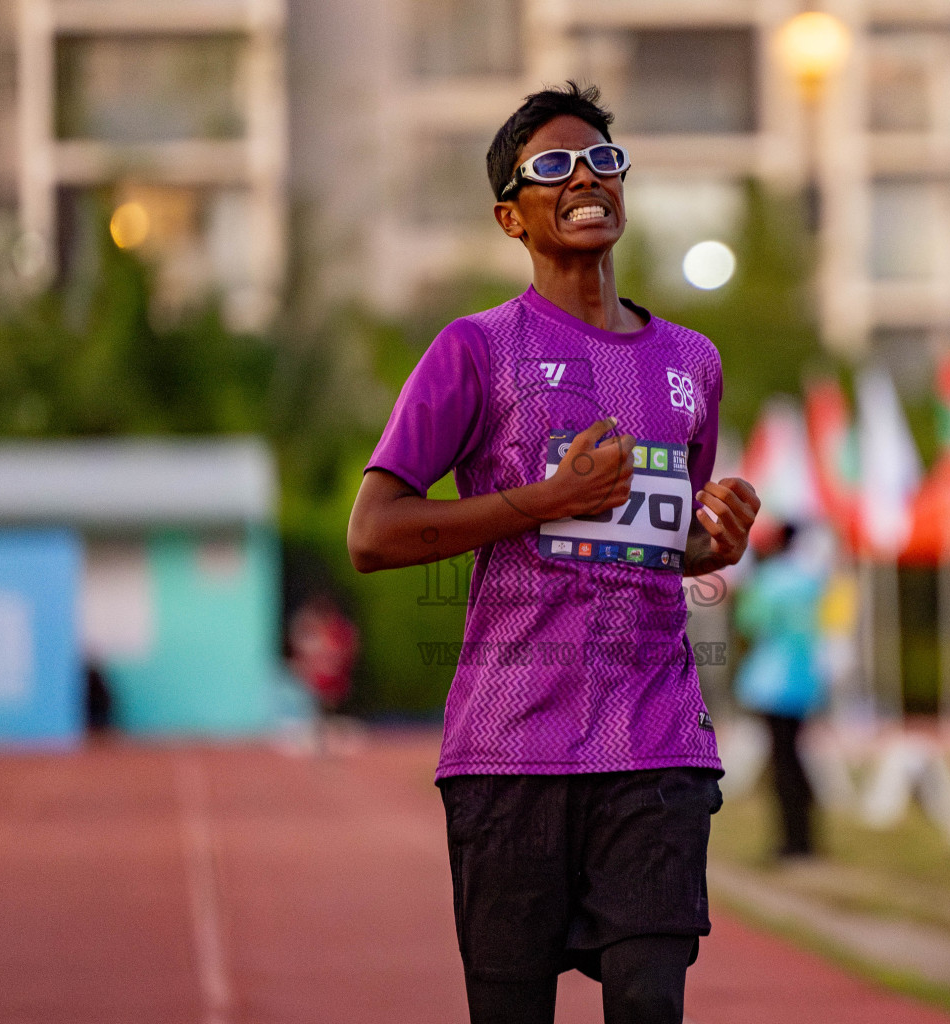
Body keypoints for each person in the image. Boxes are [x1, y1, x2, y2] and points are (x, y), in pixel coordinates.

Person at [347, 83, 760, 1024]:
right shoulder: (474, 353)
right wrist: (545, 500)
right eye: (553, 167)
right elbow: (372, 536)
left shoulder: (691, 361)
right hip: (511, 750)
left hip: (655, 741)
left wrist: (714, 538)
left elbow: (662, 545)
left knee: (650, 1004)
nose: (585, 177)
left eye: (603, 160)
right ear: (511, 216)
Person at [732, 522, 829, 860]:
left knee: (783, 763)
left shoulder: (769, 578)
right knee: (795, 759)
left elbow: (750, 622)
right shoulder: (812, 580)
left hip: (772, 682)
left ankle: (792, 841)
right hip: (805, 681)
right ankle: (805, 836)